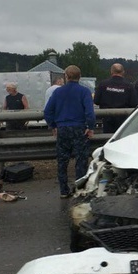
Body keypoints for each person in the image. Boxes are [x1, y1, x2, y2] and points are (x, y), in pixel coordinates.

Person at [44, 65, 96, 198]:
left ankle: (63, 190)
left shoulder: (58, 92)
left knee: (62, 160)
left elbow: (48, 111)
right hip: (79, 129)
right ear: (80, 76)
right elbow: (90, 113)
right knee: (81, 159)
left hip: (62, 129)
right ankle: (79, 188)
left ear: (66, 76)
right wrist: (90, 127)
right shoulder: (84, 91)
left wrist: (53, 125)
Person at [94, 63, 138, 133]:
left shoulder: (103, 84)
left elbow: (96, 101)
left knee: (107, 138)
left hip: (107, 117)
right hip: (123, 118)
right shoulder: (129, 86)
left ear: (111, 71)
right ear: (123, 72)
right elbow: (134, 103)